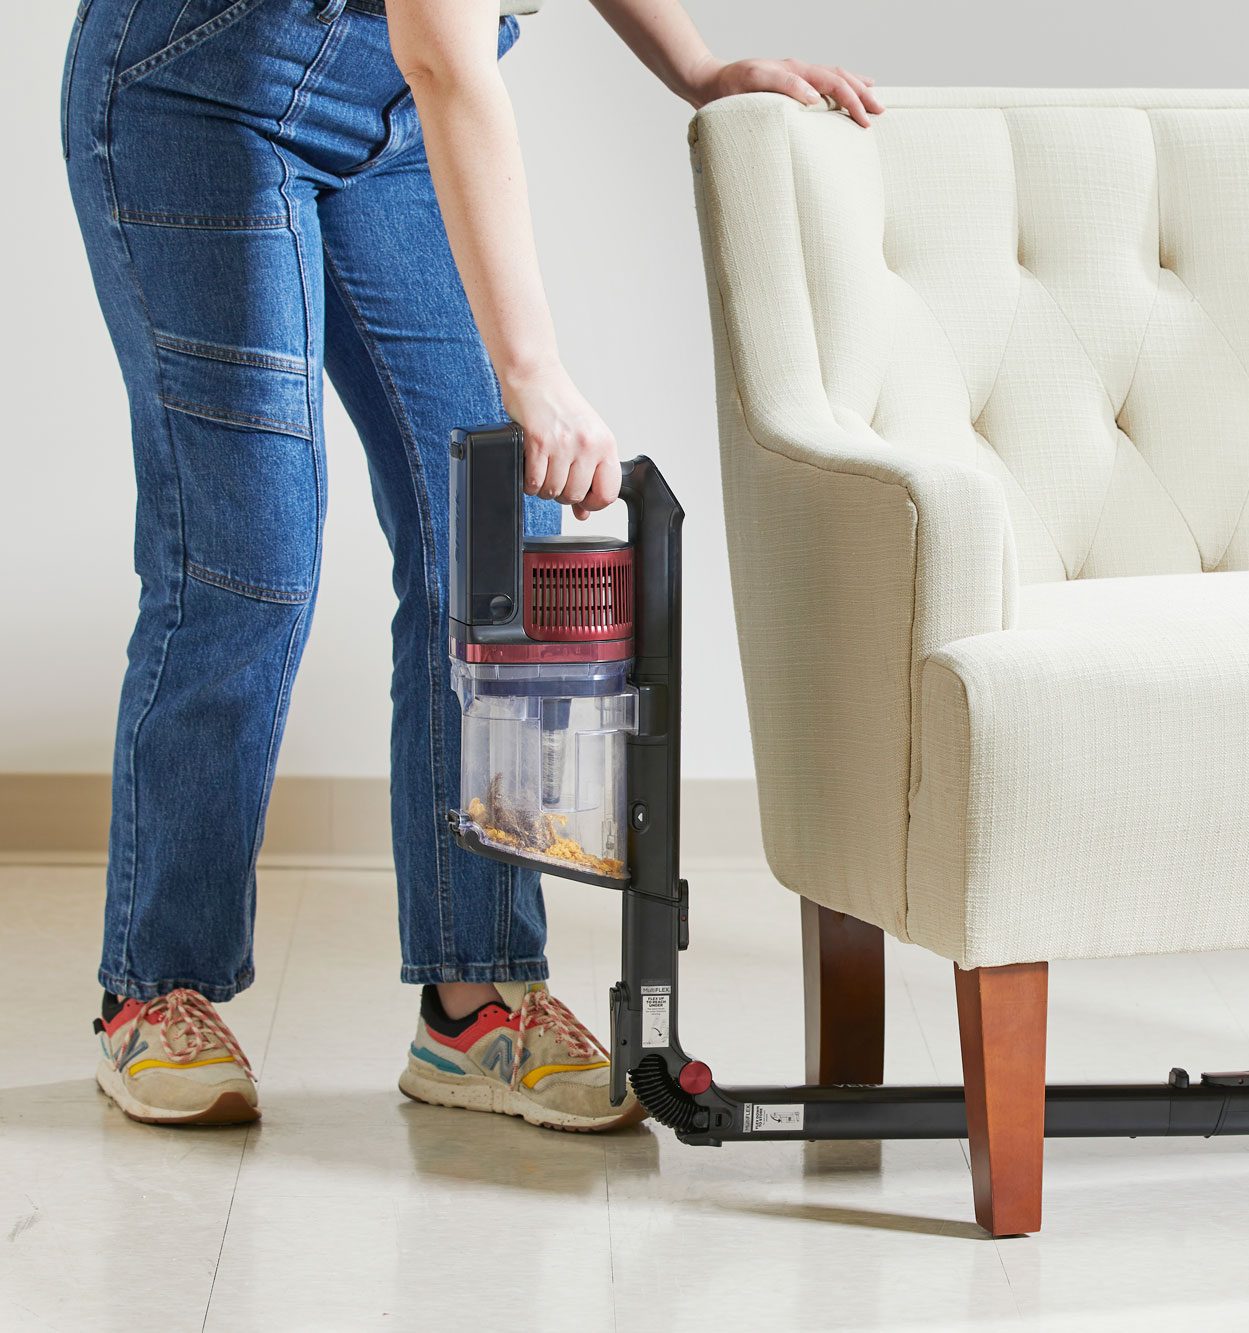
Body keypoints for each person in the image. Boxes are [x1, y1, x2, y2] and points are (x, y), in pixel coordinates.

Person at [63, 0, 881, 1130]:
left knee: (498, 537)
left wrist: (692, 64)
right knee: (248, 558)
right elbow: (446, 55)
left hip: (387, 106)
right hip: (200, 89)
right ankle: (153, 988)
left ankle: (474, 1004)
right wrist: (532, 367)